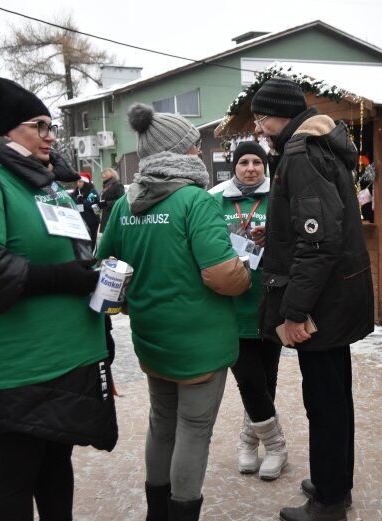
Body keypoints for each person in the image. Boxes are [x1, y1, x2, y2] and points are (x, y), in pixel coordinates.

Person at [0, 75, 117, 520]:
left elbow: (66, 248)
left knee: (56, 463)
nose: (50, 136)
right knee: (18, 471)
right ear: (6, 129)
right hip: (17, 366)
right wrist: (62, 279)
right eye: (40, 125)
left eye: (51, 127)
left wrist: (92, 282)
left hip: (63, 356)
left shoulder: (42, 184)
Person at [97, 103, 250, 521]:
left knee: (161, 422)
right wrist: (246, 274)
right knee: (194, 430)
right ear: (178, 152)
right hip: (200, 342)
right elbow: (222, 275)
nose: (200, 153)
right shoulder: (195, 202)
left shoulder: (126, 206)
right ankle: (182, 513)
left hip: (152, 337)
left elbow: (105, 267)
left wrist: (132, 298)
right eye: (193, 146)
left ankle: (155, 512)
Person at [251, 77, 374, 521]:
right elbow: (319, 224)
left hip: (321, 303)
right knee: (335, 396)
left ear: (278, 114)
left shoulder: (300, 154)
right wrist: (278, 233)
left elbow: (318, 241)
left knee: (323, 402)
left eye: (261, 118)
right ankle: (333, 480)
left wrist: (295, 309)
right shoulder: (317, 146)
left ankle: (327, 502)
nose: (260, 128)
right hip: (337, 294)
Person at [210, 141, 289, 480]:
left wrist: (273, 237)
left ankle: (247, 441)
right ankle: (275, 446)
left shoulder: (279, 198)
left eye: (258, 161)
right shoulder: (216, 200)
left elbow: (294, 241)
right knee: (249, 381)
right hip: (232, 306)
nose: (251, 168)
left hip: (270, 302)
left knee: (265, 380)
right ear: (234, 166)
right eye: (244, 162)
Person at [72, 171, 100, 247]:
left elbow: (96, 207)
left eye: (80, 181)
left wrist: (83, 202)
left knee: (91, 241)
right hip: (81, 221)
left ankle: (92, 256)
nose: (78, 184)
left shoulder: (92, 191)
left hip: (92, 221)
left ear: (85, 182)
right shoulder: (76, 192)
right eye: (77, 182)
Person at [98, 167, 125, 234]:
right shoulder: (105, 186)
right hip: (106, 214)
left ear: (111, 175)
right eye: (102, 176)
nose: (103, 177)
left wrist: (107, 203)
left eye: (105, 175)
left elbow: (122, 200)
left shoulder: (118, 185)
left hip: (114, 214)